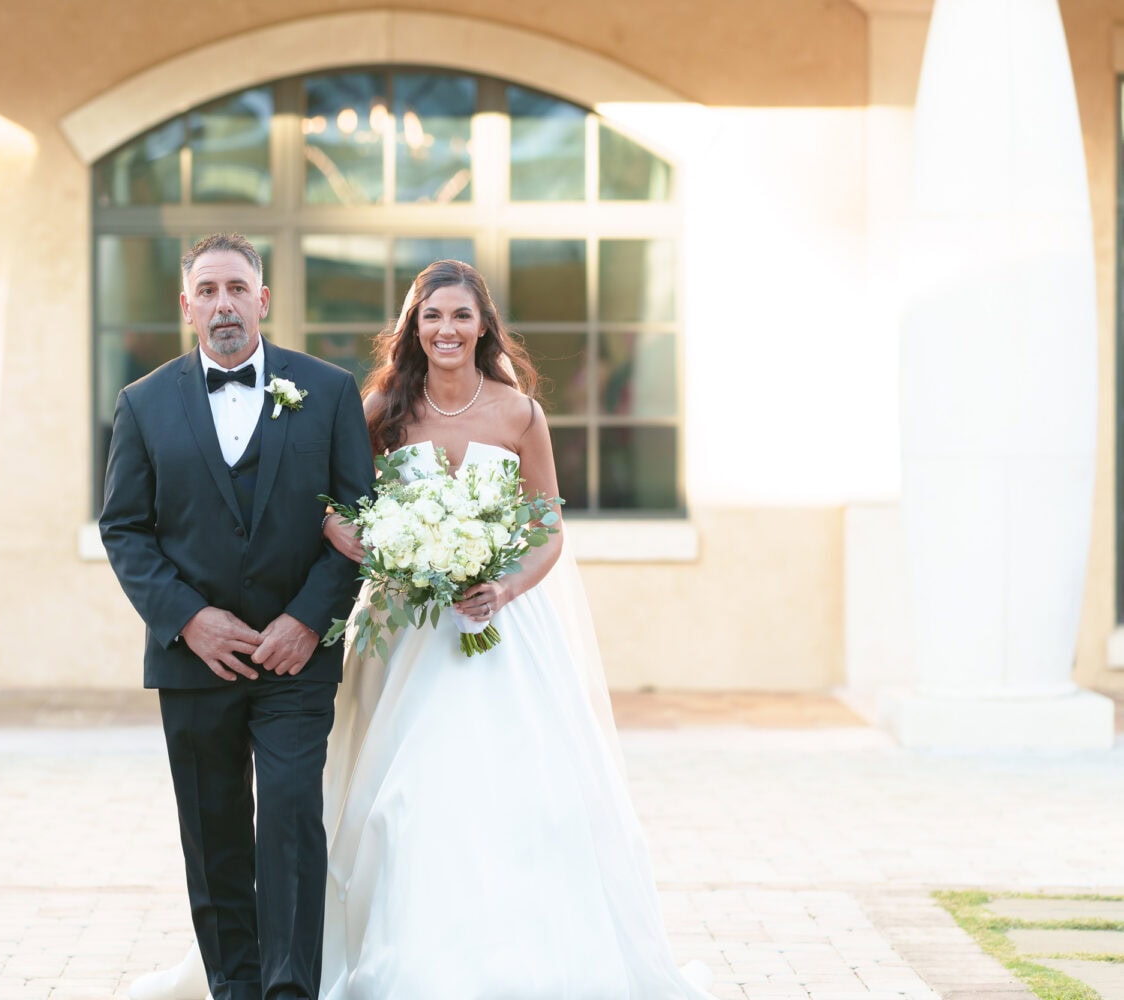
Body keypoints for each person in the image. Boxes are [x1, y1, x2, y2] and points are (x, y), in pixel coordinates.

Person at [128, 259, 713, 999]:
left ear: (483, 325)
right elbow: (337, 504)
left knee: (529, 796)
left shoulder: (519, 413)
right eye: (432, 316)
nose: (446, 329)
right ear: (414, 326)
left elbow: (548, 527)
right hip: (407, 632)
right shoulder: (379, 411)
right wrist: (374, 544)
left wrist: (502, 585)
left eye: (461, 316)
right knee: (401, 800)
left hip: (500, 631)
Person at [100, 233, 376, 1000]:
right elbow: (124, 528)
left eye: (237, 288)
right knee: (214, 831)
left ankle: (292, 991)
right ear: (185, 305)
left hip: (297, 661)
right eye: (208, 290)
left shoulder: (326, 391)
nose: (224, 304)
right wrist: (188, 619)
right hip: (195, 663)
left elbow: (358, 517)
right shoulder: (143, 403)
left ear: (264, 299)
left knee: (290, 824)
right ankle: (235, 988)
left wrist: (307, 620)